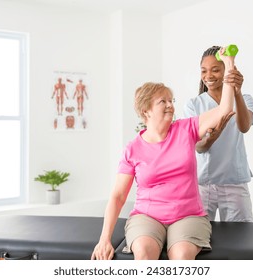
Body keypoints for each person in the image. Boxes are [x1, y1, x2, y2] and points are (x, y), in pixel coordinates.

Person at [91, 47, 237, 260]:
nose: (171, 106)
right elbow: (118, 196)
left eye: (171, 101)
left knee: (182, 255)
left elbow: (224, 109)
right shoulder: (132, 149)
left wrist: (229, 63)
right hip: (147, 217)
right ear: (146, 111)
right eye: (163, 102)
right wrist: (104, 239)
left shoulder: (186, 129)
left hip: (189, 216)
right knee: (144, 251)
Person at [183, 46, 253, 222]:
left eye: (216, 70)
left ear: (227, 71)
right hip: (203, 184)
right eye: (204, 71)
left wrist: (236, 91)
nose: (208, 76)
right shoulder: (194, 105)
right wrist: (211, 138)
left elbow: (244, 126)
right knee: (199, 238)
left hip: (234, 181)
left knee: (240, 239)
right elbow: (198, 147)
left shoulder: (245, 99)